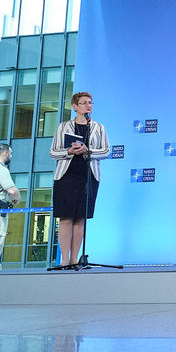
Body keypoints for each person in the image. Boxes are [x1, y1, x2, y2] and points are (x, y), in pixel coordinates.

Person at [50, 91, 110, 268]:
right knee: (66, 217)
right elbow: (53, 152)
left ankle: (75, 259)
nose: (88, 106)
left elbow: (106, 151)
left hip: (88, 176)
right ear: (75, 106)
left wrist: (87, 151)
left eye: (90, 103)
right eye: (84, 103)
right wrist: (68, 151)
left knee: (80, 218)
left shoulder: (98, 127)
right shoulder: (63, 127)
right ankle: (64, 259)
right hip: (67, 176)